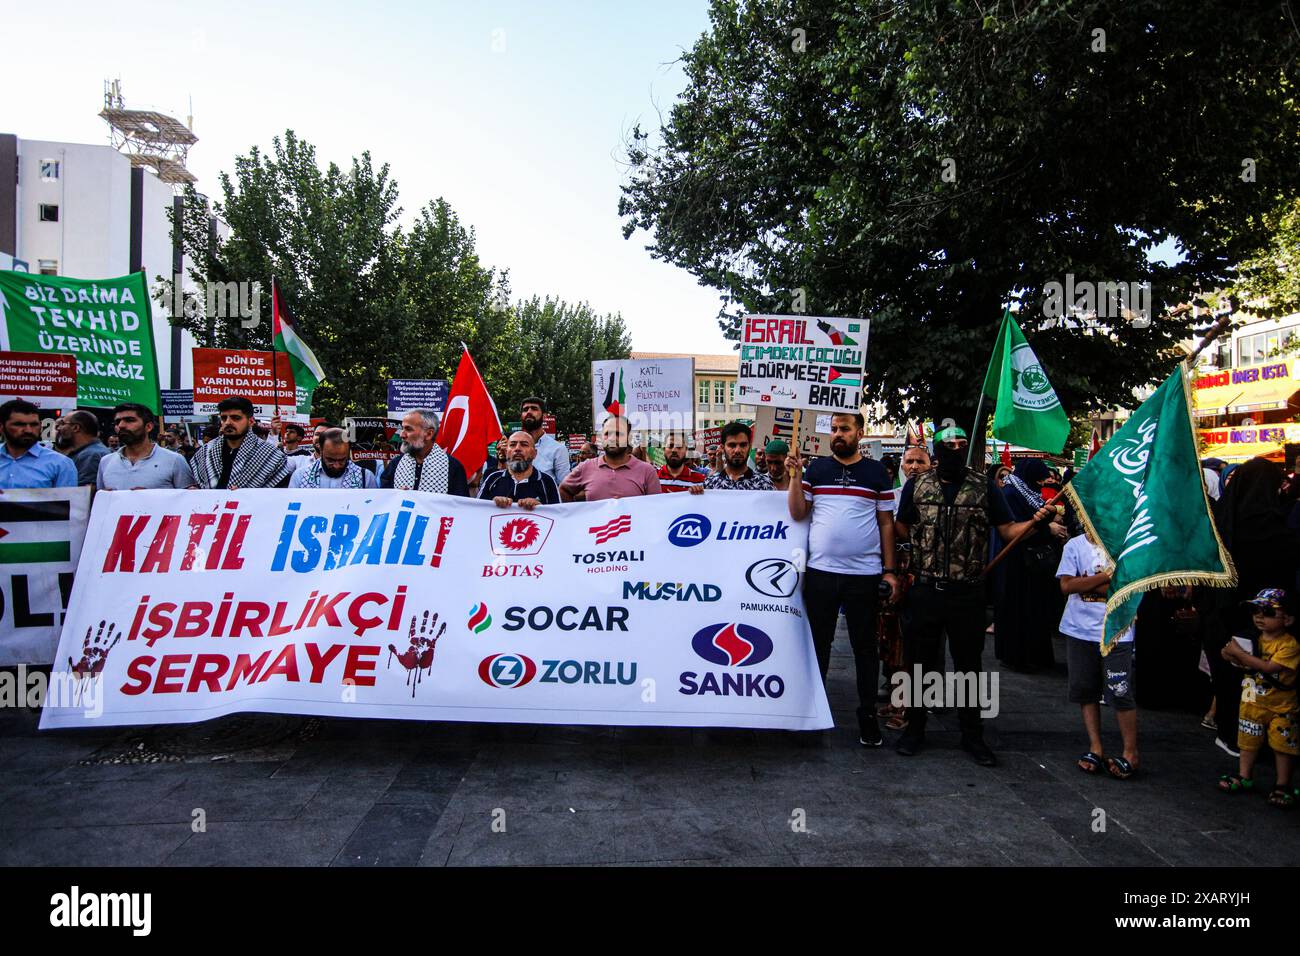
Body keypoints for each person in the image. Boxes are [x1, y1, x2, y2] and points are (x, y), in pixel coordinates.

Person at [893, 426, 1056, 766]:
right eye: (948, 444)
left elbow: (1007, 530)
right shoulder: (917, 485)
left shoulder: (984, 487)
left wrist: (1035, 523)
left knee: (969, 665)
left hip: (967, 592)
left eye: (961, 444)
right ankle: (915, 728)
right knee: (920, 662)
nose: (955, 449)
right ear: (937, 449)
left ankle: (972, 734)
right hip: (926, 588)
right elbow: (902, 526)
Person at [786, 411, 899, 746]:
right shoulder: (816, 469)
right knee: (818, 646)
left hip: (863, 575)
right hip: (821, 573)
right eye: (834, 429)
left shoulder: (877, 473)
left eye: (845, 429)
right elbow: (797, 512)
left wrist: (889, 571)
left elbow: (886, 524)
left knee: (864, 649)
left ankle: (866, 716)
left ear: (860, 433)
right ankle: (813, 713)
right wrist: (795, 476)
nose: (838, 434)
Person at [1204, 456, 1300, 758]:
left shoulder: (1220, 522)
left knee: (1233, 685)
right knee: (1261, 687)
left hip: (1222, 619)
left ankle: (1233, 736)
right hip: (1269, 625)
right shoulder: (1279, 530)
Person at [1058, 532, 1139, 780]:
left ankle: (1130, 752)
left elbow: (1126, 588)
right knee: (1085, 688)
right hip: (1079, 629)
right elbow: (1067, 585)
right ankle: (1096, 746)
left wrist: (1087, 581)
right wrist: (1105, 578)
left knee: (1120, 690)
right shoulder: (1075, 545)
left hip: (1117, 630)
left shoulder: (1124, 547)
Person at [1217, 588, 1299, 808]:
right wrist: (1230, 651)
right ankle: (1245, 775)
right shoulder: (1249, 636)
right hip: (1251, 700)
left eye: (1268, 612)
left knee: (1282, 746)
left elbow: (1269, 667)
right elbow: (1225, 652)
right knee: (1247, 740)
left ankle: (1283, 784)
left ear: (1288, 619)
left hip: (1281, 705)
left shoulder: (1289, 645)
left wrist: (1240, 654)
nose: (1260, 615)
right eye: (1255, 610)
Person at [994, 458, 1070, 672]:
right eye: (1038, 478)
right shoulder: (1010, 494)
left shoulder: (1026, 492)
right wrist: (1048, 528)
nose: (1042, 483)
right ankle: (1017, 656)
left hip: (1033, 567)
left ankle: (1035, 655)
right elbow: (1016, 529)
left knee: (1034, 611)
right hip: (1016, 564)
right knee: (1018, 610)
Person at [190, 396, 293, 490]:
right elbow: (198, 486)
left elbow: (278, 498)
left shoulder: (272, 456)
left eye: (236, 418)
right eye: (224, 418)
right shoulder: (205, 452)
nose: (228, 422)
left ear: (251, 421)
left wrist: (246, 495)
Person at [560, 415, 661, 501]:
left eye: (618, 434)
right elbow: (564, 490)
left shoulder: (647, 471)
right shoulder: (585, 467)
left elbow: (655, 508)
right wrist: (575, 514)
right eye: (607, 434)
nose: (612, 438)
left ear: (629, 438)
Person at [97, 404, 196, 490]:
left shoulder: (174, 460)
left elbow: (188, 503)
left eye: (130, 420)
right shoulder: (106, 462)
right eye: (117, 422)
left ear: (148, 427)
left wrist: (151, 497)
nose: (121, 425)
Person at [379, 408, 470, 496]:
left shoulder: (453, 467)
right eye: (403, 429)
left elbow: (460, 507)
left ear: (429, 434)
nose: (402, 435)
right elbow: (384, 502)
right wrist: (395, 496)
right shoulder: (395, 464)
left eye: (408, 429)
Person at [0, 399, 77, 489]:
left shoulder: (60, 464)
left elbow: (67, 500)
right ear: (1, 427)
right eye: (19, 424)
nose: (28, 430)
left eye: (34, 424)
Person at [478, 430, 560, 508]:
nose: (517, 449)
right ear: (506, 452)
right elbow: (477, 511)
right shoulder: (492, 479)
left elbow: (557, 517)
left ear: (534, 453)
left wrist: (540, 508)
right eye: (512, 445)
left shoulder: (547, 482)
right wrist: (491, 504)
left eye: (524, 444)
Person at [290, 428, 378, 489]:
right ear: (320, 449)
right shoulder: (300, 476)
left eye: (342, 460)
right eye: (330, 460)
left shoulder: (366, 477)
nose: (336, 466)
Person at [701, 422, 773, 490]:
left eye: (743, 445)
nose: (737, 450)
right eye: (732, 445)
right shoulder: (710, 484)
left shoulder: (764, 484)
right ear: (723, 448)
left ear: (750, 447)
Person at [519, 397, 570, 483]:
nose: (529, 412)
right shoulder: (512, 447)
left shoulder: (558, 449)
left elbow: (564, 486)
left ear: (544, 416)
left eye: (534, 409)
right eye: (525, 409)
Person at [54, 410, 110, 487]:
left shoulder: (91, 456)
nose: (59, 428)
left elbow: (84, 493)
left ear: (75, 428)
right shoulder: (87, 452)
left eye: (63, 424)